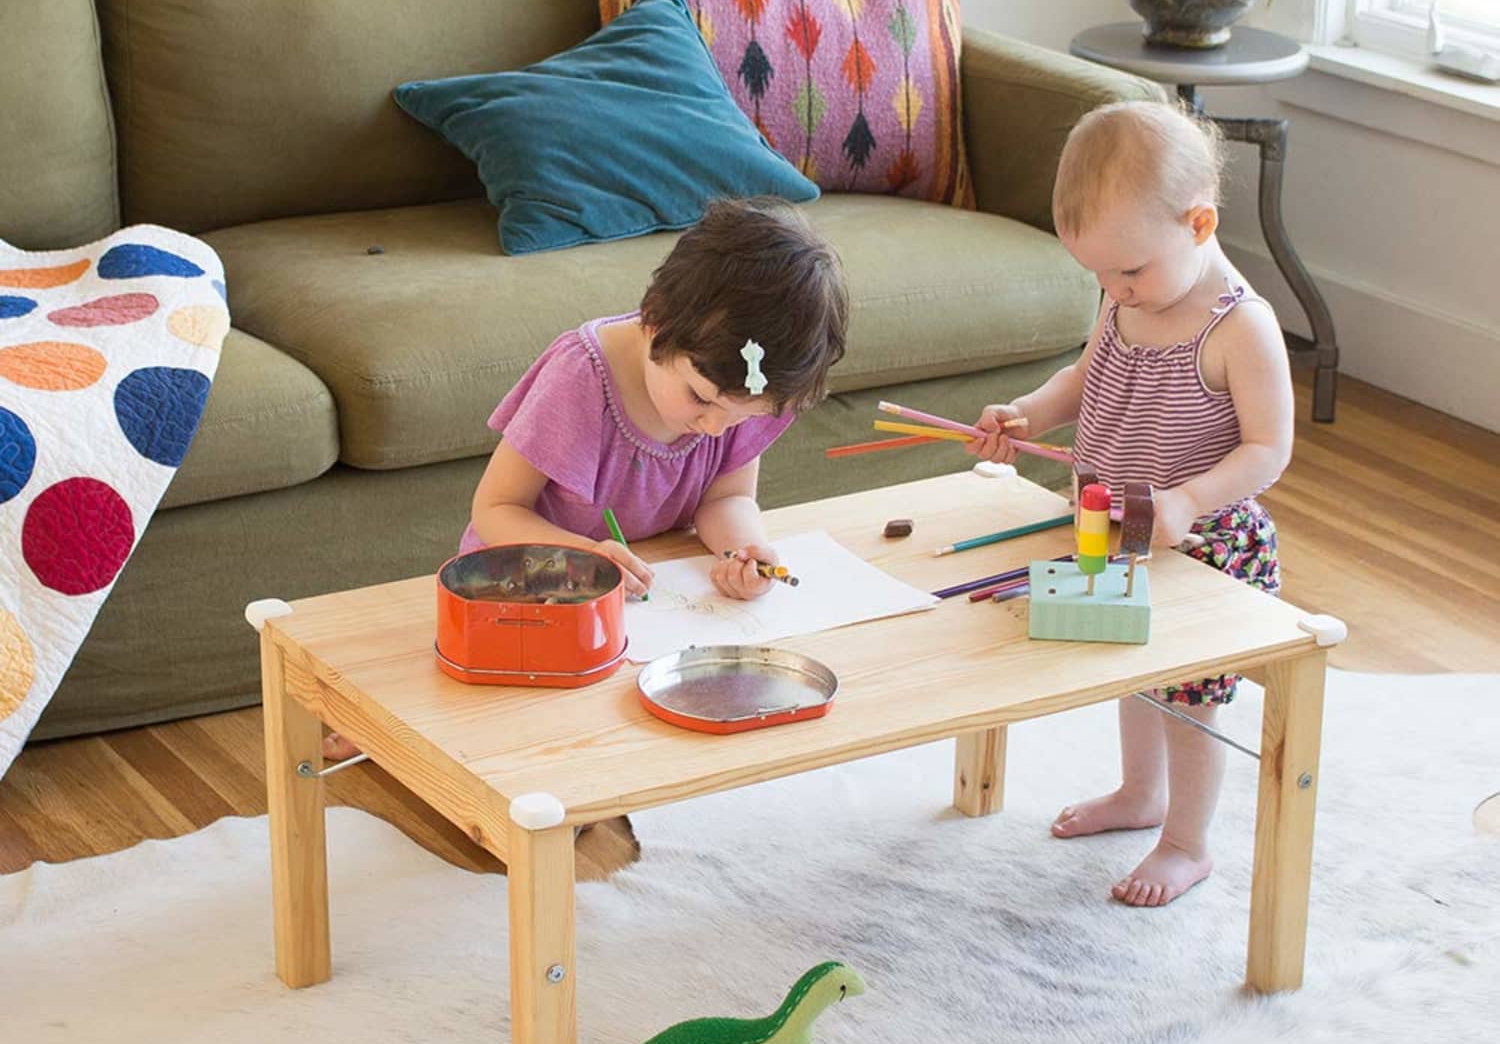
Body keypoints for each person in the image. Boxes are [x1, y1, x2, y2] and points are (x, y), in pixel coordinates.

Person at [322, 196, 848, 761]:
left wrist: (745, 547)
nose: (715, 427)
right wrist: (585, 560)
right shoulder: (581, 377)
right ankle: (401, 726)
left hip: (647, 604)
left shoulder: (739, 398)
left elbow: (727, 496)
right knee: (505, 739)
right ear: (655, 323)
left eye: (741, 417)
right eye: (701, 399)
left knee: (669, 726)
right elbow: (496, 510)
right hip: (525, 594)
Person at [969, 100, 1294, 907]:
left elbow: (1268, 450)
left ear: (1198, 223)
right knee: (1132, 675)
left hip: (1206, 544)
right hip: (1116, 524)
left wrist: (1188, 499)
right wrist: (1029, 412)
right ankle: (1137, 795)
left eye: (1130, 273)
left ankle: (1186, 842)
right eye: (1101, 277)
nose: (1115, 291)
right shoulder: (1128, 294)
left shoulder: (1239, 327)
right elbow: (1085, 377)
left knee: (1188, 700)